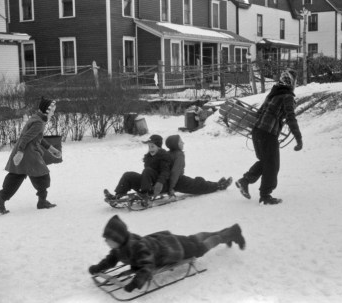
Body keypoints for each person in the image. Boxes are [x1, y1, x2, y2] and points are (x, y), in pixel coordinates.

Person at [88, 215, 245, 292]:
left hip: (175, 249)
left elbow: (147, 266)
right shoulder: (120, 247)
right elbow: (112, 258)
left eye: (108, 239)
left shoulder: (137, 247)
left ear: (118, 238)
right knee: (193, 239)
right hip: (167, 242)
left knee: (200, 248)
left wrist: (135, 283)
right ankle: (227, 232)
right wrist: (99, 267)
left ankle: (229, 233)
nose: (106, 242)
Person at [235, 69, 303, 205]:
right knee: (272, 165)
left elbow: (260, 112)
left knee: (266, 161)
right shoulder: (287, 96)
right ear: (292, 83)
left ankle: (245, 181)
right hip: (268, 134)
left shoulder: (273, 94)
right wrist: (298, 138)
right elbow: (291, 117)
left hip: (258, 132)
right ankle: (265, 196)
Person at [0, 97, 61, 214]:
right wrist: (20, 152)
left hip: (24, 152)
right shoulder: (39, 123)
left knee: (15, 176)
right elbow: (26, 138)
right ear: (47, 110)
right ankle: (42, 202)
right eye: (52, 110)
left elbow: (37, 138)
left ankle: (0, 203)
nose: (53, 113)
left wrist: (51, 149)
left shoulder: (37, 118)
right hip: (28, 153)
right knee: (42, 175)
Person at [104, 134, 171, 201]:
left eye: (152, 146)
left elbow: (165, 172)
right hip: (148, 184)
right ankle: (118, 195)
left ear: (159, 147)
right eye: (149, 147)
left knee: (147, 170)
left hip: (160, 185)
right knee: (128, 175)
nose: (150, 149)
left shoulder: (164, 156)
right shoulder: (149, 157)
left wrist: (160, 182)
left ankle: (144, 194)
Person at [165, 134, 232, 198]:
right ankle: (219, 186)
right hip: (177, 181)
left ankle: (216, 184)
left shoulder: (168, 153)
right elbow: (175, 172)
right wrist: (171, 188)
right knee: (199, 185)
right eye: (180, 141)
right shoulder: (179, 155)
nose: (183, 143)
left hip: (173, 180)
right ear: (176, 144)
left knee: (197, 182)